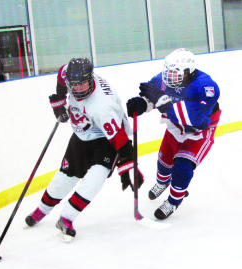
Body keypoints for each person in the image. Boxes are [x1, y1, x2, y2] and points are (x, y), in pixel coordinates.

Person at [26, 57, 144, 241]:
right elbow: (60, 79)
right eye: (75, 85)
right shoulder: (68, 74)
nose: (78, 88)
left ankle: (66, 218)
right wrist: (58, 103)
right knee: (65, 177)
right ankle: (41, 210)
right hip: (82, 135)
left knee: (94, 180)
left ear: (91, 79)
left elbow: (119, 139)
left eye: (83, 84)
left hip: (107, 140)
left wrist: (129, 165)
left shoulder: (102, 106)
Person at [127, 48, 221, 220]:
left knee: (182, 168)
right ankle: (162, 182)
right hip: (174, 127)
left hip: (198, 132)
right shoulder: (165, 79)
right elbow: (152, 97)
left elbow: (194, 118)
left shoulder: (206, 86)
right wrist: (142, 104)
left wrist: (163, 101)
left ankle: (173, 202)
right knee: (164, 160)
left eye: (174, 72)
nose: (169, 76)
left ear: (187, 72)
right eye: (168, 71)